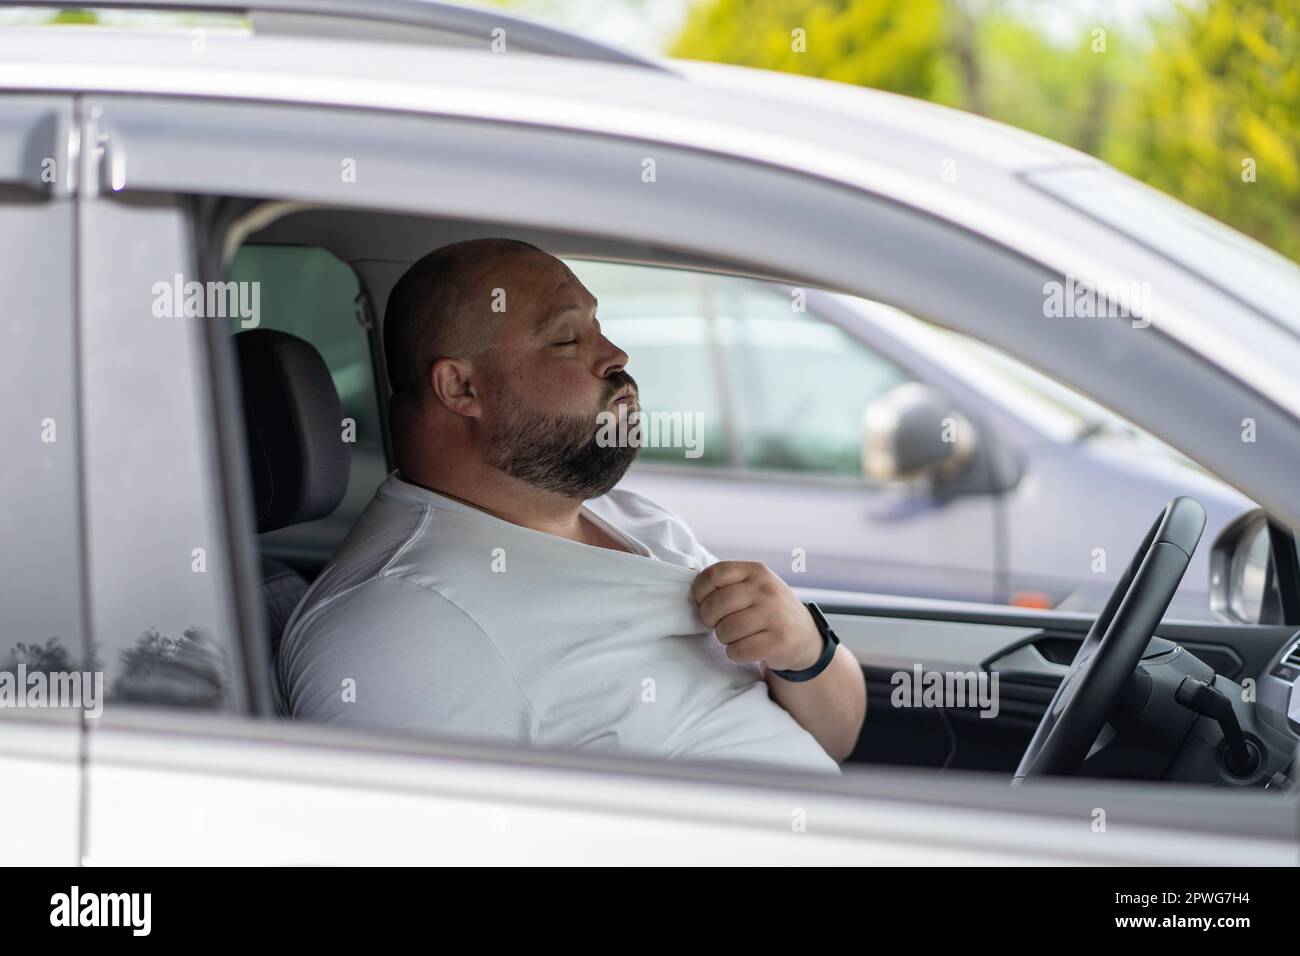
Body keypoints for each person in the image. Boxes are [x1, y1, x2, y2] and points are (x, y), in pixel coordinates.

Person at [277, 238, 866, 776]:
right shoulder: (402, 628)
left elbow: (835, 739)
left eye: (600, 327)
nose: (615, 355)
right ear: (461, 389)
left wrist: (804, 653)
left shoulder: (638, 520)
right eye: (567, 339)